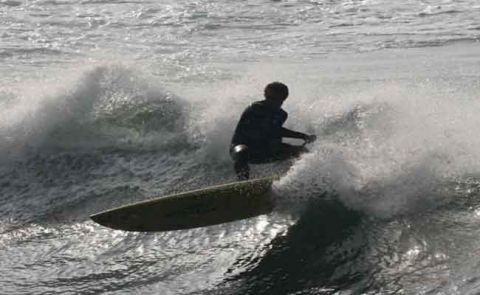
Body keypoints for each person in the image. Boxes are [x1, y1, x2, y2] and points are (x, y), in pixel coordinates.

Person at [230, 82, 316, 180]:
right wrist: (303, 136)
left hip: (265, 151)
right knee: (242, 151)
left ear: (283, 98)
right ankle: (242, 183)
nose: (270, 101)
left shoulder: (282, 115)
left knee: (302, 151)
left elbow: (274, 132)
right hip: (245, 149)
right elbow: (272, 129)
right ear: (265, 96)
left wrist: (303, 138)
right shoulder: (256, 108)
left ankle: (296, 181)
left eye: (275, 99)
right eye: (269, 97)